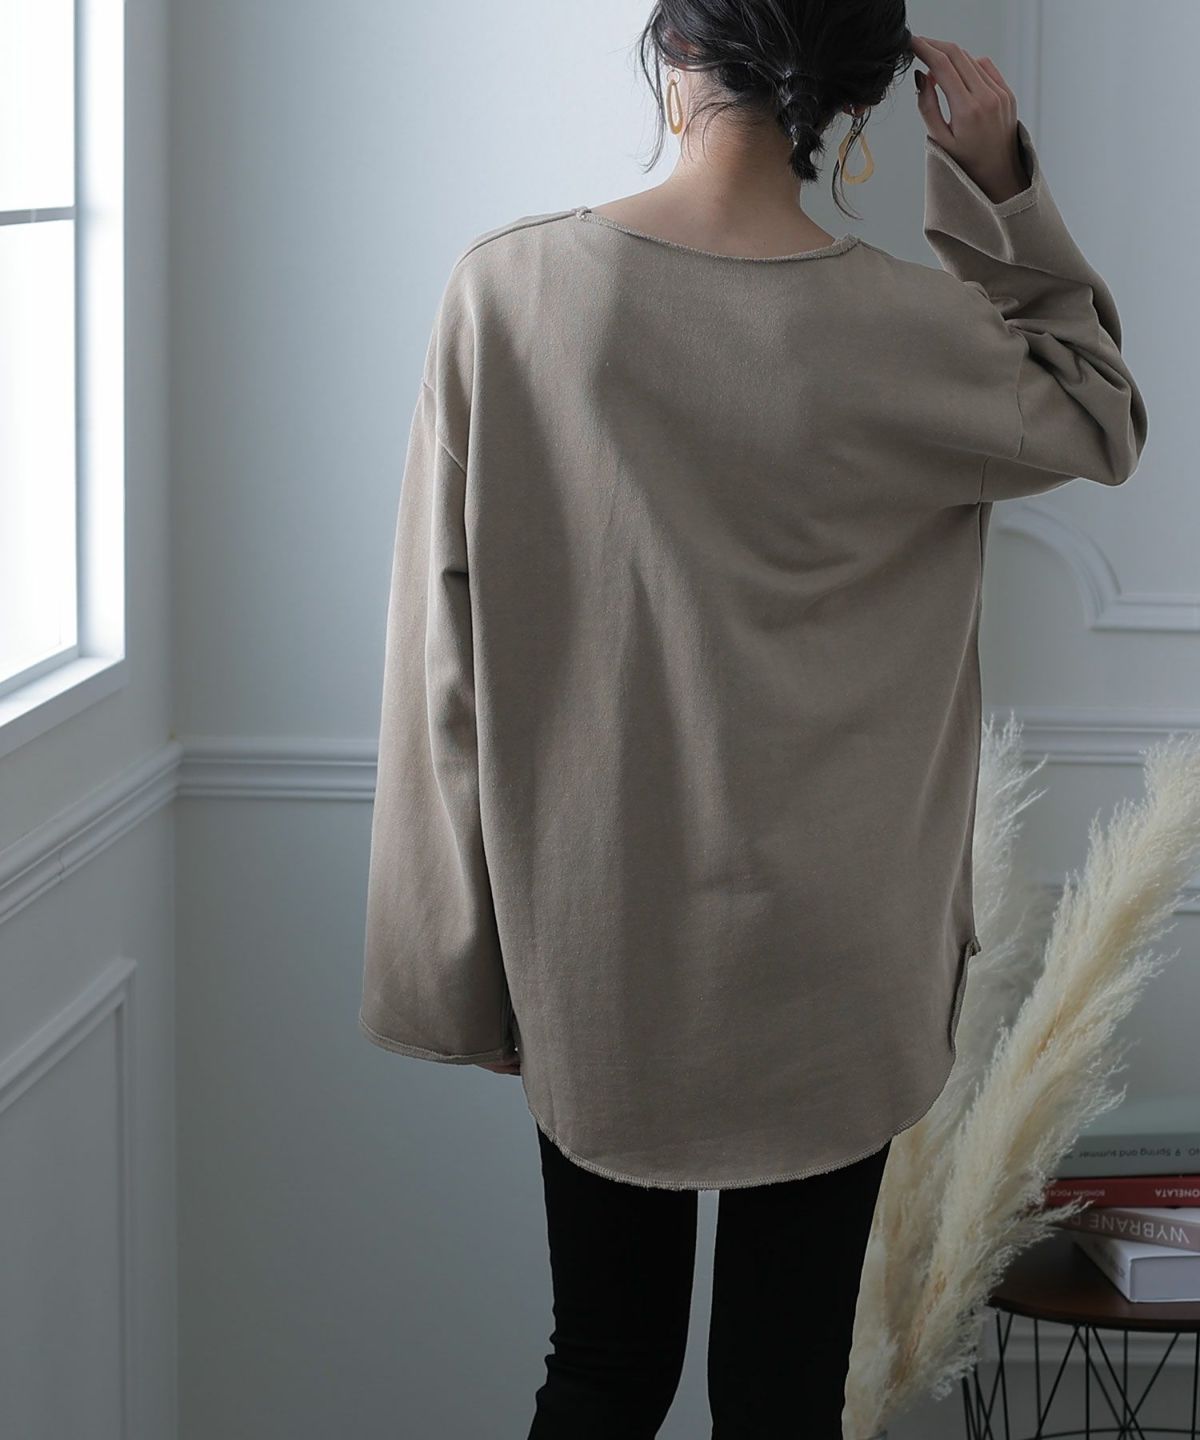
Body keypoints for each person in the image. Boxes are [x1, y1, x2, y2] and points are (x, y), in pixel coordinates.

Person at [359, 3, 1149, 1436]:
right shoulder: (915, 328)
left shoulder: (511, 293)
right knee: (782, 1392)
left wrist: (460, 967)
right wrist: (996, 179)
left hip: (598, 935)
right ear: (851, 110)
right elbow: (1099, 409)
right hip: (838, 949)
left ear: (670, 58)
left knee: (602, 1368)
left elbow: (442, 663)